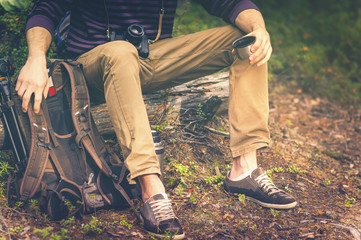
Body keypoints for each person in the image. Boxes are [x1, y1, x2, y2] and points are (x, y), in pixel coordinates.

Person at [16, 0, 297, 239]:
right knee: (119, 50)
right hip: (89, 65)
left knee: (246, 41)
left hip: (149, 57)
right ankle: (151, 188)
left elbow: (229, 3)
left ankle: (244, 170)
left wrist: (259, 29)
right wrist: (36, 58)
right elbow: (47, 8)